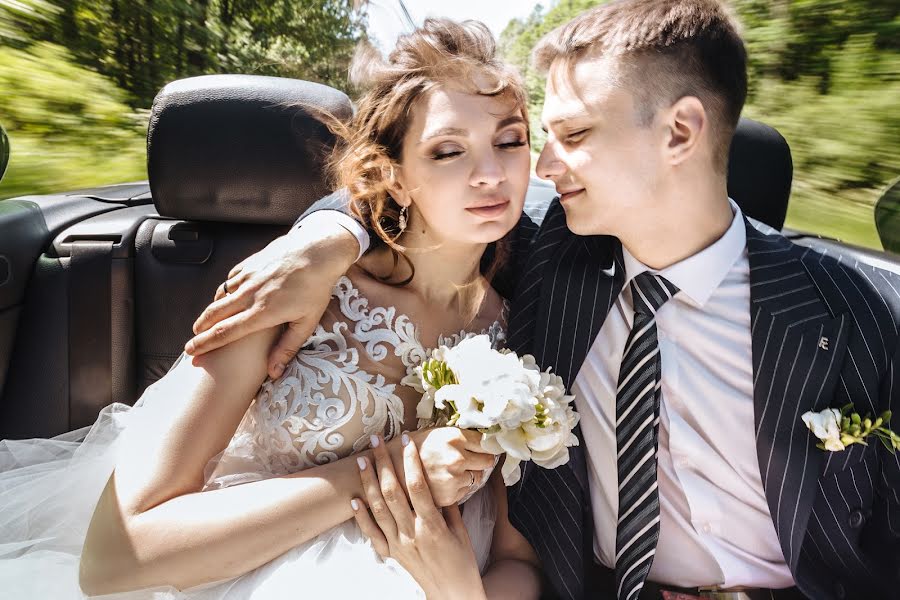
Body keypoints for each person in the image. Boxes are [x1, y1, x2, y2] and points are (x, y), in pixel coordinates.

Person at [186, 1, 900, 599]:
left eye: (573, 135)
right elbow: (426, 196)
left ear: (680, 131)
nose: (539, 168)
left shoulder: (854, 313)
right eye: (543, 137)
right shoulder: (553, 259)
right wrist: (328, 236)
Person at [0, 19, 546, 599]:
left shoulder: (523, 324)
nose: (491, 174)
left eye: (510, 141)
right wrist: (393, 469)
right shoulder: (287, 292)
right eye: (448, 150)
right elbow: (118, 558)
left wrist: (469, 595)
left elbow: (521, 559)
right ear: (395, 176)